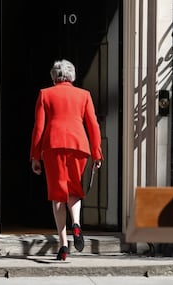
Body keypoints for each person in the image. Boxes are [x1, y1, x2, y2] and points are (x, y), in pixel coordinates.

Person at [30, 59, 103, 261]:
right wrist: (97, 153)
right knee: (73, 187)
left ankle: (63, 245)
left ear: (54, 76)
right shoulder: (84, 95)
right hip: (78, 145)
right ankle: (77, 224)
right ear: (72, 76)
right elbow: (93, 125)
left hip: (53, 146)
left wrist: (35, 156)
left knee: (58, 194)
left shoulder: (45, 94)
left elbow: (38, 127)